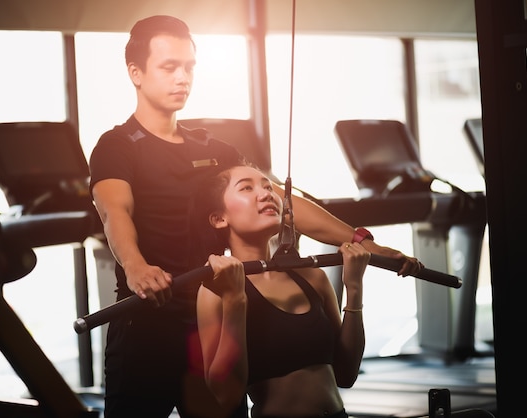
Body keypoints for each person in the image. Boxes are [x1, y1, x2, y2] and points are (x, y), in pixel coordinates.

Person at [88, 14, 422, 417]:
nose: (183, 78)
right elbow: (114, 210)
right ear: (136, 73)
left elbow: (281, 203)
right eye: (169, 67)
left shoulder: (214, 147)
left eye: (189, 67)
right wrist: (136, 266)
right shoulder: (118, 145)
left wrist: (360, 241)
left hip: (216, 308)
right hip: (151, 321)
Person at [194, 164, 369, 418]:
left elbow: (346, 374)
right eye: (246, 187)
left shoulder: (312, 277)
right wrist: (235, 299)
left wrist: (354, 287)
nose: (266, 194)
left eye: (268, 187)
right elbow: (225, 396)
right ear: (220, 218)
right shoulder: (214, 291)